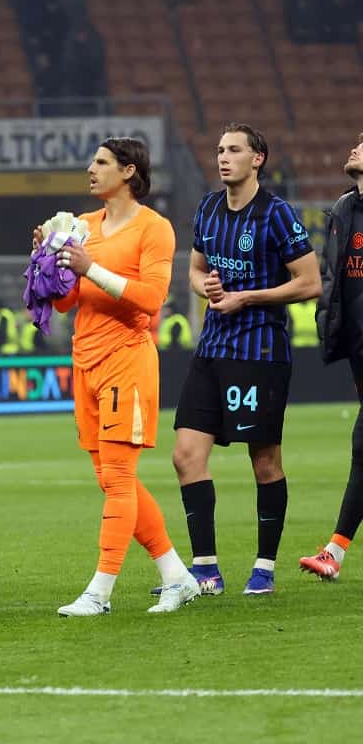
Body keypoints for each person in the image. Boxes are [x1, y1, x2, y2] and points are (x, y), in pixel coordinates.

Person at [35, 138, 199, 616]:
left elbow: (152, 298)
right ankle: (176, 575)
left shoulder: (155, 228)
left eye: (101, 162)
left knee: (120, 477)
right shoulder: (82, 226)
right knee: (110, 479)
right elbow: (66, 302)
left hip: (127, 358)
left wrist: (91, 267)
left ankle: (100, 592)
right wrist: (49, 262)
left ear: (129, 171)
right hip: (85, 359)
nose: (91, 169)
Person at [171, 124, 320, 596]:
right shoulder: (208, 208)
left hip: (260, 353)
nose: (223, 157)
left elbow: (310, 282)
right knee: (185, 456)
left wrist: (247, 297)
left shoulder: (277, 214)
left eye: (234, 149)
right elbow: (195, 271)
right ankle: (206, 571)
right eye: (219, 149)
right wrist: (208, 287)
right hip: (211, 349)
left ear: (257, 159)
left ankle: (264, 568)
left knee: (264, 461)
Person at [299, 133, 363, 581]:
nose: (355, 149)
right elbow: (334, 277)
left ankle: (334, 551)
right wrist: (333, 328)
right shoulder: (344, 209)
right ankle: (335, 552)